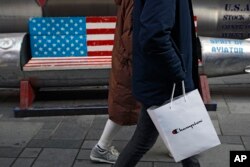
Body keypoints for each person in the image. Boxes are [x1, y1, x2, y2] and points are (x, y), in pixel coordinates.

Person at [114, 0, 200, 167]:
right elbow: (154, 36)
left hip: (163, 80)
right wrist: (178, 72)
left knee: (183, 144)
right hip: (166, 82)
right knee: (183, 144)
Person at [89, 0, 141, 164]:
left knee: (152, 106)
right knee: (124, 104)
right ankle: (101, 148)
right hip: (131, 63)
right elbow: (132, 36)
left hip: (126, 59)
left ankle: (178, 149)